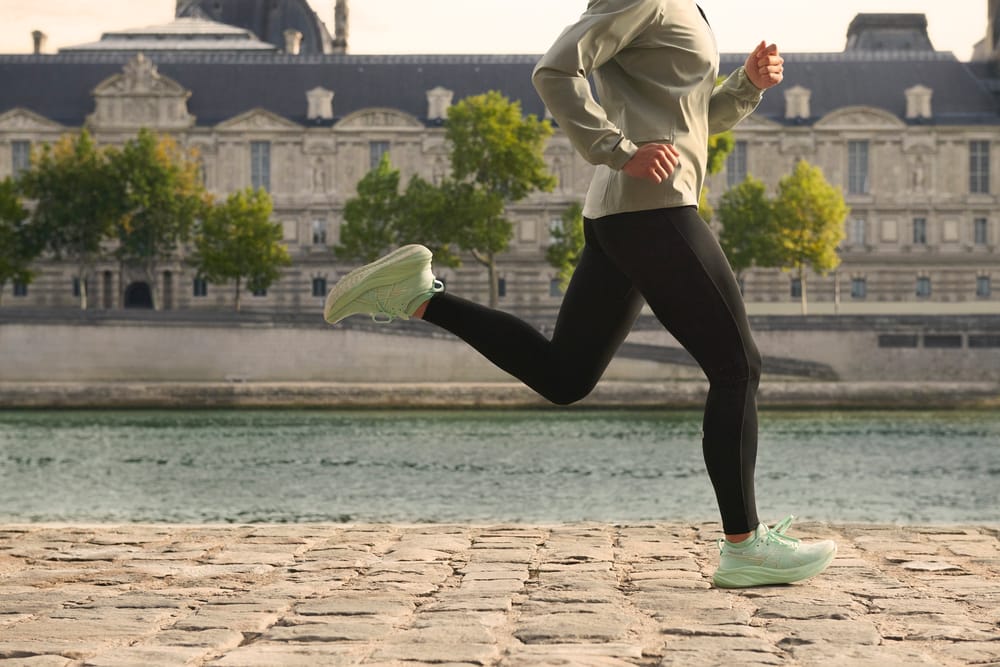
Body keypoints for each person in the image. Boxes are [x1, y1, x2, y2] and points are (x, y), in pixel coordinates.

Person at [323, 0, 836, 588]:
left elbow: (689, 118)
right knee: (738, 365)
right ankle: (743, 545)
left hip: (629, 214)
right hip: (653, 209)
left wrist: (746, 85)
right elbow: (554, 70)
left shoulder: (683, 6)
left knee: (564, 376)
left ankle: (417, 296)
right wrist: (617, 149)